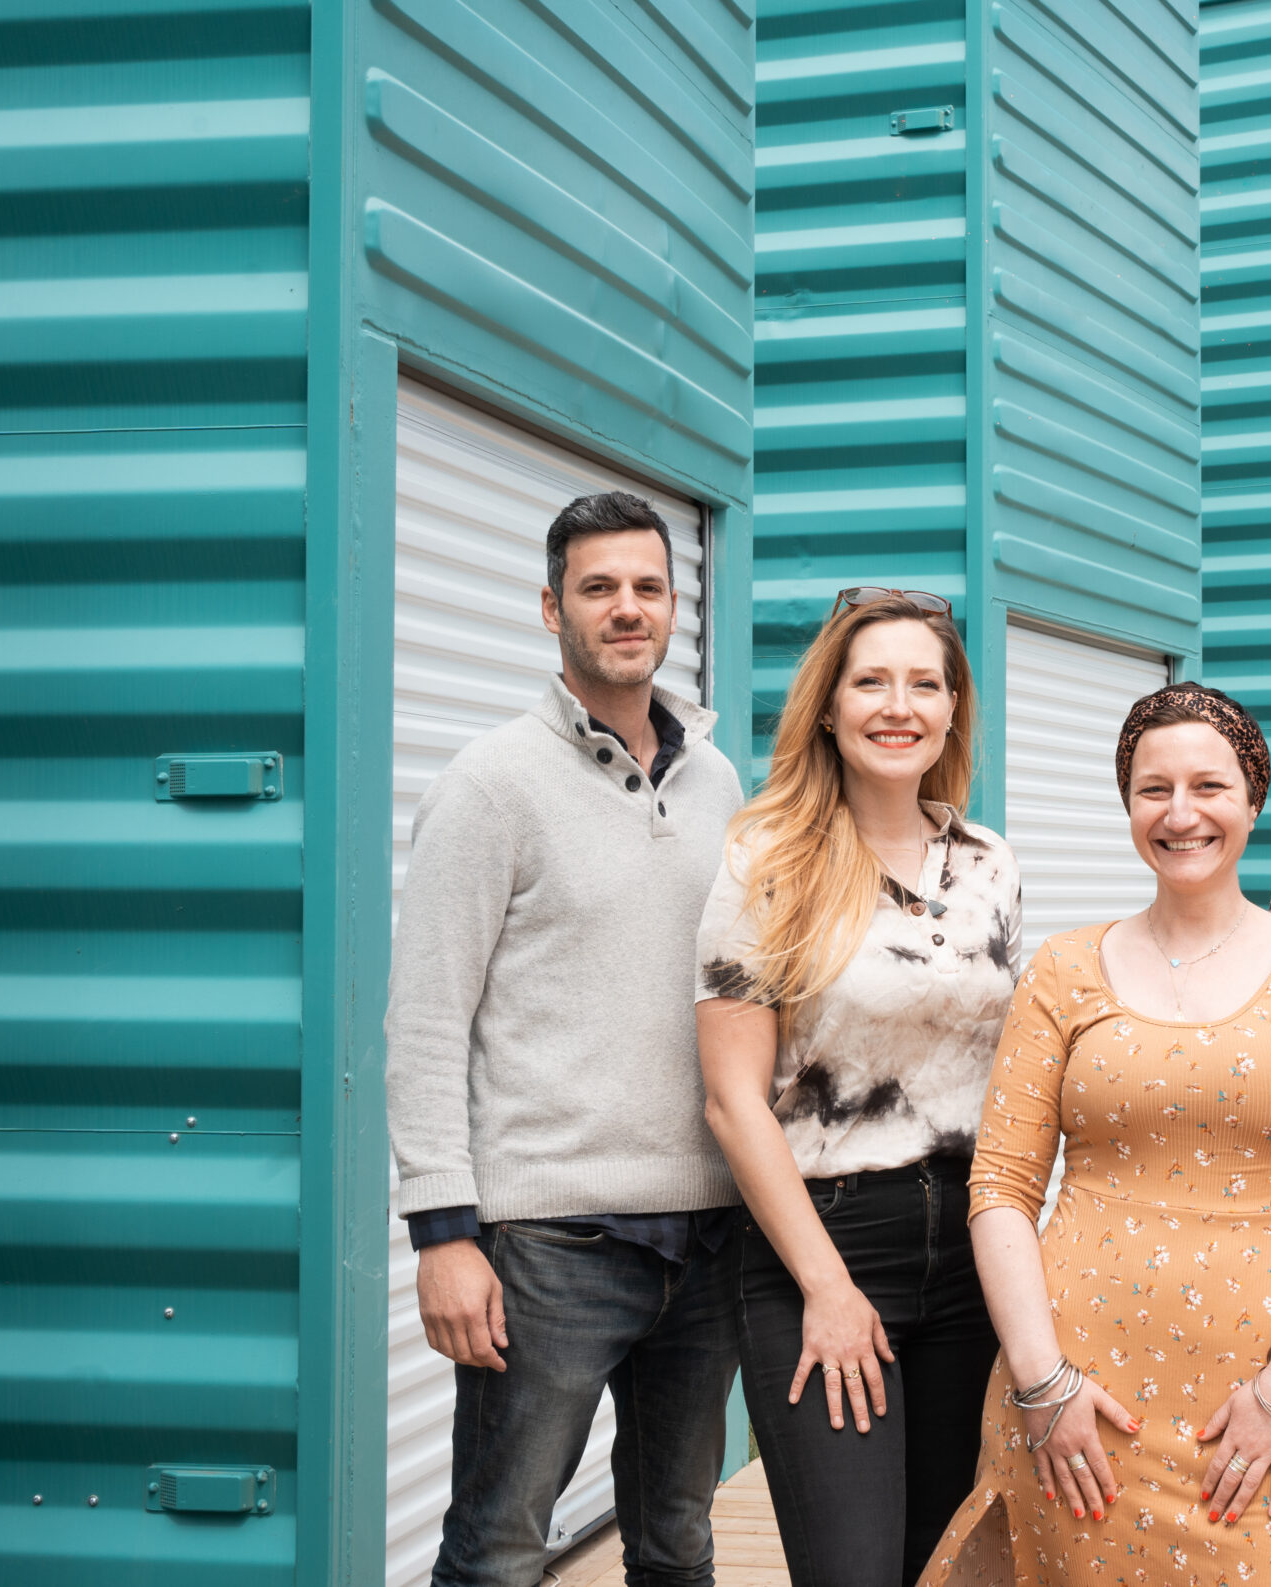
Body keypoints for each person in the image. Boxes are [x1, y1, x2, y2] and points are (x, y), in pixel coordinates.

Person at [922, 683, 1271, 1587]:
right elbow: (1000, 1189)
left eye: (1209, 786)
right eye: (1154, 789)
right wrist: (1042, 1384)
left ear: (1252, 797)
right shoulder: (1065, 970)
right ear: (1128, 804)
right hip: (1081, 1417)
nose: (1181, 813)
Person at [387, 491, 747, 1587]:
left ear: (674, 605)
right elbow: (423, 1017)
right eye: (598, 589)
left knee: (678, 1544)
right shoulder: (490, 785)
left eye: (647, 587)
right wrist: (442, 1232)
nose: (626, 608)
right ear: (552, 609)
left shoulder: (719, 782)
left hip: (709, 1233)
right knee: (499, 1549)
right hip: (547, 1245)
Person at [695, 588, 1022, 1587]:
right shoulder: (771, 861)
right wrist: (825, 1288)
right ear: (828, 707)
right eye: (870, 681)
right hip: (823, 1244)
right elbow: (732, 1100)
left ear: (954, 708)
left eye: (925, 683)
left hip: (968, 1248)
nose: (899, 705)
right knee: (852, 1570)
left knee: (944, 1562)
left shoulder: (988, 864)